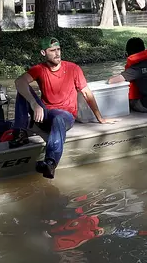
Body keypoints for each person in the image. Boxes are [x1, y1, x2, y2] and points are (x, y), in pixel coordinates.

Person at [12, 37, 114, 179]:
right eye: (52, 50)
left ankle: (50, 163)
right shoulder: (39, 69)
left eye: (58, 49)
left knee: (59, 118)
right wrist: (34, 103)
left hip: (65, 116)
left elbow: (86, 93)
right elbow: (19, 81)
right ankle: (19, 133)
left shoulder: (73, 68)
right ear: (43, 52)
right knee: (22, 89)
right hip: (46, 113)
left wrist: (100, 118)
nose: (57, 53)